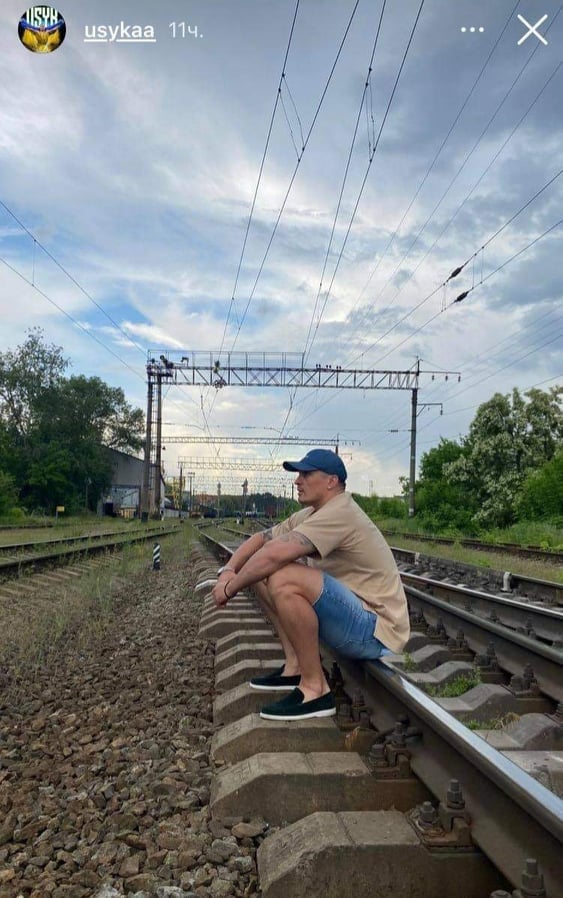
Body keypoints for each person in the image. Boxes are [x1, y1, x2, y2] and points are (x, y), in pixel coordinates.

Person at [211, 449, 410, 721]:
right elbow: (262, 540)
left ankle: (315, 690)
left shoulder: (340, 511)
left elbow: (274, 554)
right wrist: (229, 570)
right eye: (298, 475)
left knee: (282, 576)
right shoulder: (311, 514)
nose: (297, 480)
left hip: (374, 631)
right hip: (354, 617)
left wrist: (228, 589)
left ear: (331, 481)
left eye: (306, 474)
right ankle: (295, 666)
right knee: (262, 572)